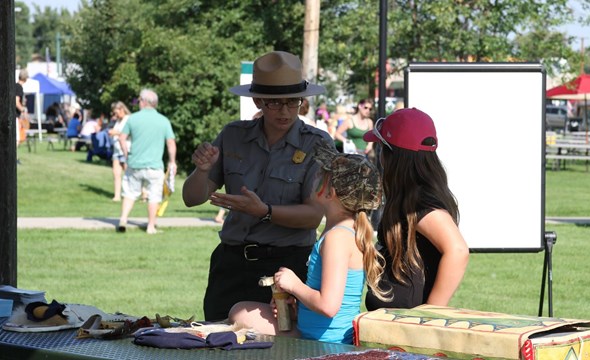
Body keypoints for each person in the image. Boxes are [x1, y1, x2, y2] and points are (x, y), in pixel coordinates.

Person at [182, 51, 333, 321]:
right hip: (231, 263)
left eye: (293, 102)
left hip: (287, 268)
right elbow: (192, 198)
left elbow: (314, 215)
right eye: (275, 103)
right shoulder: (233, 135)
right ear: (258, 100)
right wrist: (202, 172)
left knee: (281, 349)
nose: (285, 111)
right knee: (218, 343)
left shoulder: (318, 143)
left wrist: (264, 211)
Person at [228, 140, 389, 344]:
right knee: (239, 311)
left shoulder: (337, 238)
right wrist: (297, 306)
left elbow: (329, 306)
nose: (315, 175)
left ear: (331, 193)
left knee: (240, 313)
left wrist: (294, 285)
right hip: (318, 334)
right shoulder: (342, 232)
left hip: (326, 342)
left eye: (322, 174)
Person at [362, 107, 469, 310]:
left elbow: (458, 250)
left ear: (391, 156)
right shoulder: (410, 197)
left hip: (407, 329)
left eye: (381, 149)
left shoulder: (420, 201)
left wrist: (431, 314)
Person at [117, 89, 177, 235]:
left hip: (134, 164)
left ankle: (123, 220)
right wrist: (172, 162)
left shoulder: (132, 118)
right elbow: (170, 143)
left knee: (130, 193)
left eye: (139, 100)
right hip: (155, 167)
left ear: (143, 101)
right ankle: (151, 227)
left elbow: (121, 139)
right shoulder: (163, 120)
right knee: (154, 196)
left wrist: (126, 155)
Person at [108, 101, 131, 201]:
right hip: (117, 151)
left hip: (126, 150)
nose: (115, 115)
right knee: (116, 174)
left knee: (129, 174)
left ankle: (133, 195)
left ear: (122, 109)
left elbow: (129, 133)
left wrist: (115, 133)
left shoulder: (129, 119)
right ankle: (117, 196)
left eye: (116, 112)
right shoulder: (118, 121)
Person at [15, 69, 29, 154]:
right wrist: (23, 110)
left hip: (16, 116)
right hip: (15, 116)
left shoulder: (15, 86)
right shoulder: (19, 87)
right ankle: (13, 158)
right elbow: (16, 101)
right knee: (17, 139)